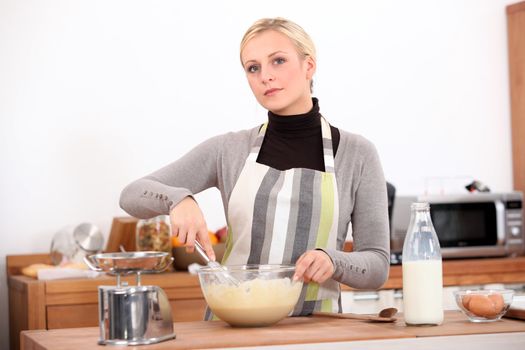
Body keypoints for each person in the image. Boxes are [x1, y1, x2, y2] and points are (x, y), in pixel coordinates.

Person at [120, 17, 390, 316]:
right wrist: (178, 199)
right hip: (232, 328)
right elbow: (132, 195)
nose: (266, 76)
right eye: (253, 67)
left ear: (309, 66)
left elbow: (377, 266)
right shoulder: (228, 149)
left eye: (278, 61)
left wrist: (333, 261)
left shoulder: (357, 153)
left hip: (316, 330)